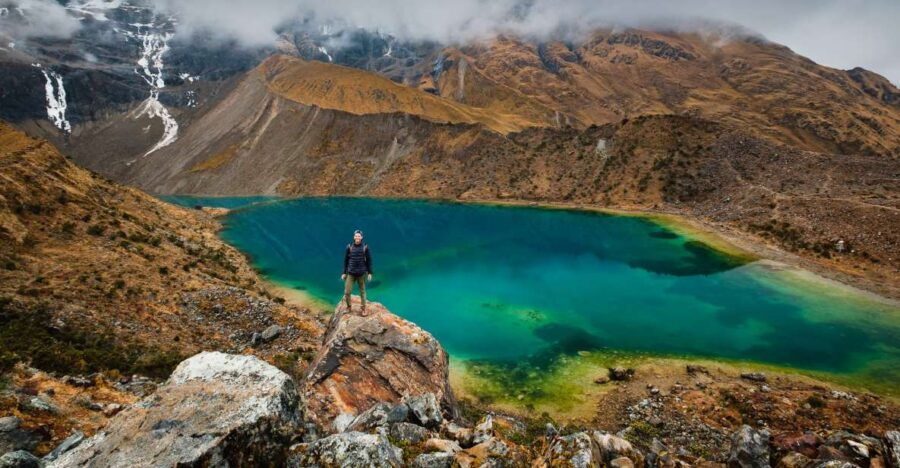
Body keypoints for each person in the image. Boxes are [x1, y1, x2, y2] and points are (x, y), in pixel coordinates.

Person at [342, 229, 373, 315]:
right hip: (351, 273)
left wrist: (370, 273)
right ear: (354, 237)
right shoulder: (349, 247)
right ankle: (348, 307)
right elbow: (346, 260)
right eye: (356, 236)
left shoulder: (365, 247)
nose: (357, 237)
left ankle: (363, 309)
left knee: (362, 291)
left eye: (359, 236)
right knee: (347, 292)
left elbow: (369, 260)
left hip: (361, 273)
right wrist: (344, 273)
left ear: (362, 237)